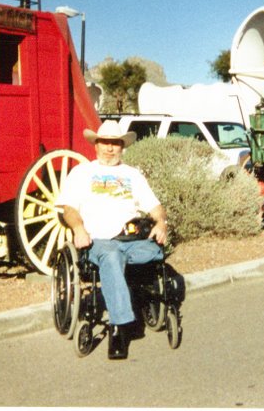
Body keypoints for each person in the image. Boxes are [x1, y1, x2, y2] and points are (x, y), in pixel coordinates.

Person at [56, 120, 167, 360]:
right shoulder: (82, 173)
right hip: (99, 240)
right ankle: (119, 328)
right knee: (112, 256)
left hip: (130, 239)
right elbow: (68, 209)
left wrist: (160, 223)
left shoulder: (132, 174)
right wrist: (78, 228)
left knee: (155, 252)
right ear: (96, 145)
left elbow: (155, 206)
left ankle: (137, 298)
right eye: (105, 142)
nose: (110, 148)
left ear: (121, 146)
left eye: (115, 143)